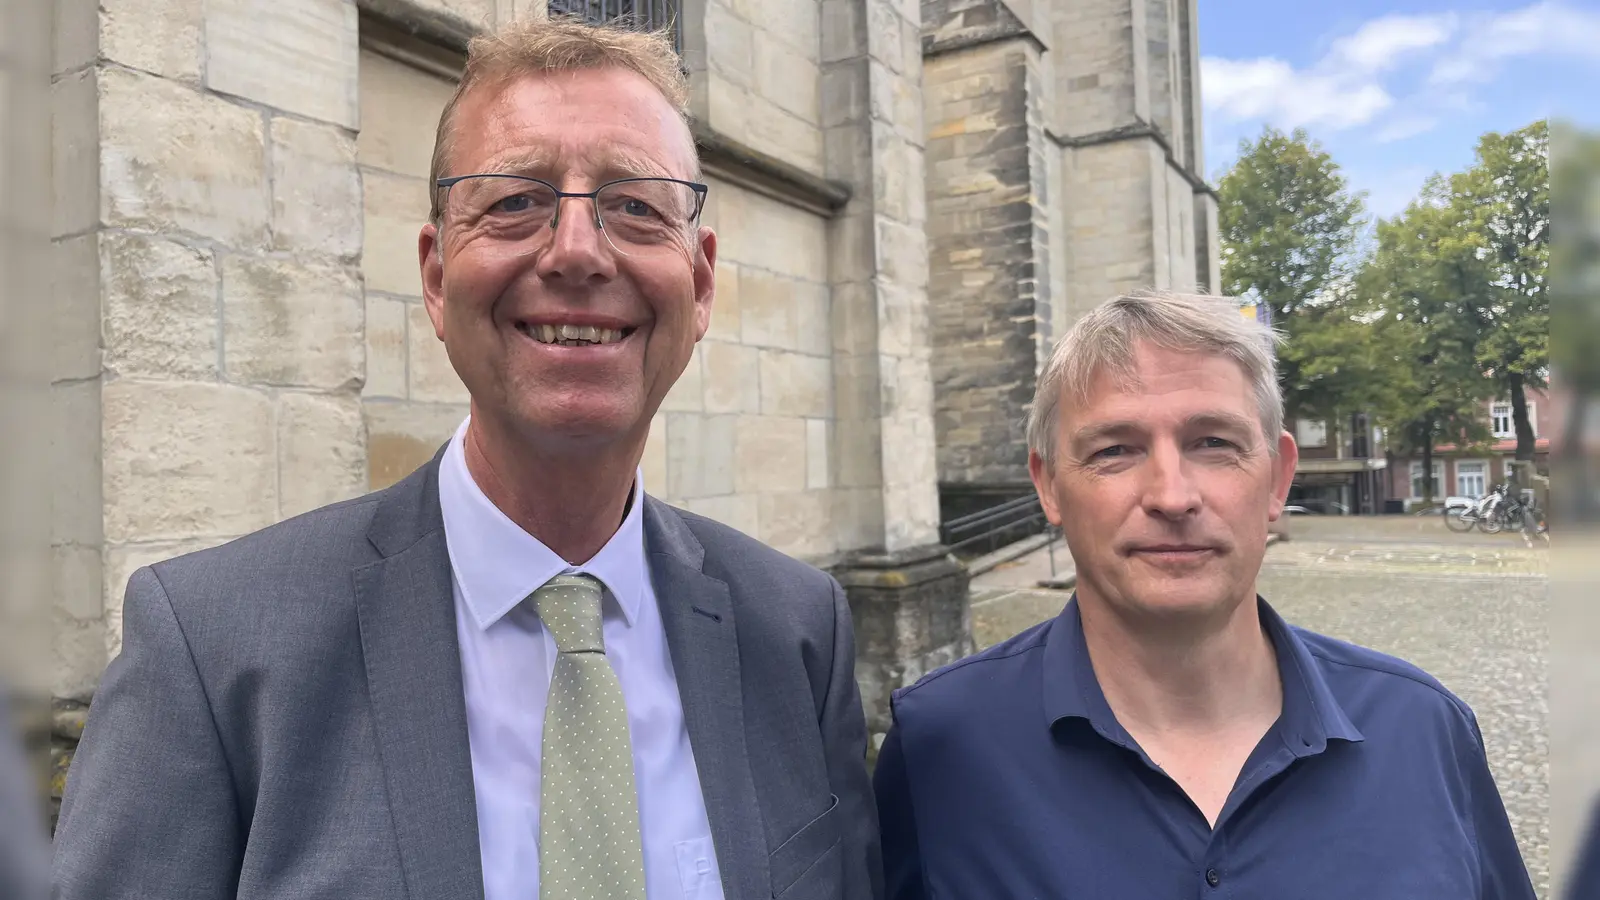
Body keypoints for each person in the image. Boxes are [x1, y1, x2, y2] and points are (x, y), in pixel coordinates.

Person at [53, 18, 879, 900]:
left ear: (701, 281)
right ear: (437, 275)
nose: (576, 250)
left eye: (638, 206)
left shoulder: (798, 634)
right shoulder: (214, 653)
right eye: (515, 201)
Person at [872, 290, 1537, 899]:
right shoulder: (940, 749)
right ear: (1049, 487)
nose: (1172, 496)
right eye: (1114, 450)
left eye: (1213, 443)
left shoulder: (1424, 731)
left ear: (1277, 478)